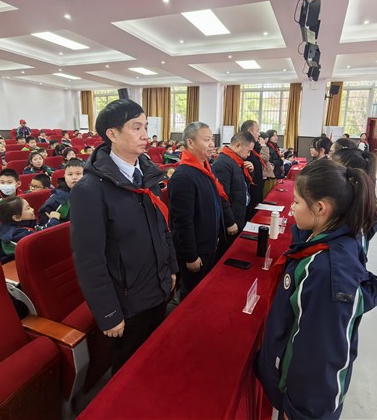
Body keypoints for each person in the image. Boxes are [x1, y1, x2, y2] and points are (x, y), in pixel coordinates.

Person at [255, 159, 377, 420]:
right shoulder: (329, 239)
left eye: (296, 202)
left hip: (303, 406)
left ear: (320, 208)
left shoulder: (325, 272)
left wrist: (301, 412)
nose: (292, 208)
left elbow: (321, 354)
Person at [70, 98, 178, 374]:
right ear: (112, 134)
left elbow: (163, 228)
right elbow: (89, 260)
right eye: (136, 127)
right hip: (127, 301)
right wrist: (108, 312)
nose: (145, 134)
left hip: (157, 287)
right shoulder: (89, 190)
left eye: (145, 126)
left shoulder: (148, 176)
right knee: (128, 372)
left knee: (155, 360)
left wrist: (171, 269)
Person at [168, 122, 237, 301]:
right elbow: (182, 222)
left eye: (212, 139)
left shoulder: (205, 168)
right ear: (190, 143)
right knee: (192, 294)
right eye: (206, 140)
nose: (212, 144)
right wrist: (191, 256)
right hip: (196, 250)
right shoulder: (183, 176)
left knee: (204, 291)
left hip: (209, 244)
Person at [0, 196, 60, 263]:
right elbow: (42, 239)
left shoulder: (20, 224)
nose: (32, 209)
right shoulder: (14, 235)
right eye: (28, 208)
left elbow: (39, 230)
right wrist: (54, 220)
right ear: (16, 218)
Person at [212, 132, 254, 252]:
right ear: (238, 145)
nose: (248, 155)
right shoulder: (223, 163)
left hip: (239, 213)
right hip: (231, 219)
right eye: (248, 151)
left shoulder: (235, 160)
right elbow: (221, 196)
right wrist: (230, 222)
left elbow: (242, 185)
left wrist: (250, 172)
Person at [38, 159, 83, 224]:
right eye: (70, 174)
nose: (74, 177)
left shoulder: (91, 191)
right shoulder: (58, 198)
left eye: (78, 174)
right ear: (65, 177)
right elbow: (43, 216)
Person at [240, 120, 266, 219]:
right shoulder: (243, 150)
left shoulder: (254, 148)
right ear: (249, 132)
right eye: (257, 131)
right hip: (250, 193)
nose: (259, 134)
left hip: (257, 190)